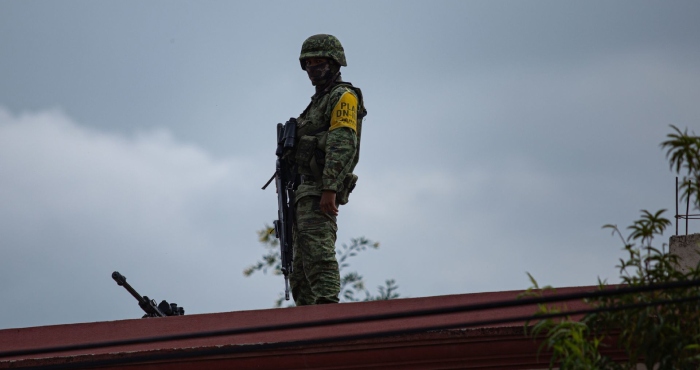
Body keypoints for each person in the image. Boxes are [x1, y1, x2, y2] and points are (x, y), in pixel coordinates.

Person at [289, 34, 367, 305]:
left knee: (318, 255)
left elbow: (342, 142)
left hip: (318, 189)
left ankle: (328, 317)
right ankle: (307, 325)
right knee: (299, 270)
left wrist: (329, 188)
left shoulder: (342, 96)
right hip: (303, 191)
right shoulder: (317, 102)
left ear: (335, 62)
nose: (313, 67)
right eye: (308, 62)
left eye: (319, 61)